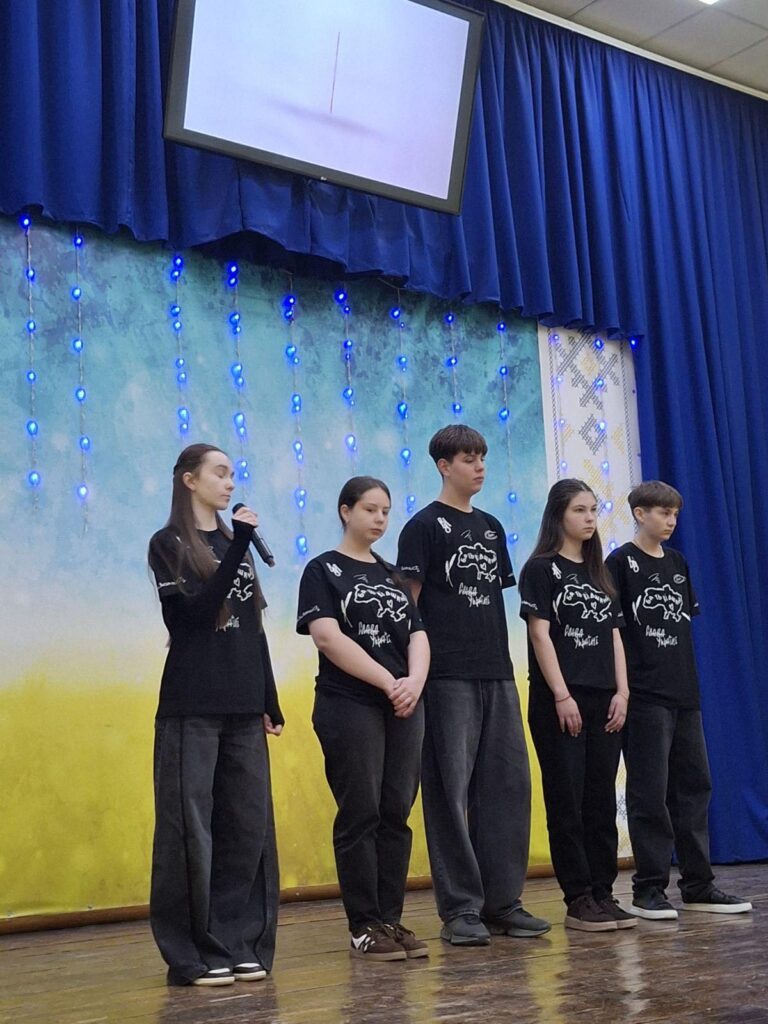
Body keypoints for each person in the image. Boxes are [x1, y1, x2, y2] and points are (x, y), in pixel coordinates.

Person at [397, 424, 550, 946]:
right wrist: (414, 674)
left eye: (482, 457)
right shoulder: (423, 526)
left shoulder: (490, 527)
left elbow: (490, 601)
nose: (479, 466)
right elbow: (408, 606)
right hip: (446, 675)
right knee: (450, 790)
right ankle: (461, 908)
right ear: (444, 466)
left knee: (507, 786)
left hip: (496, 672)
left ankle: (503, 902)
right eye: (468, 458)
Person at [147, 443, 284, 986]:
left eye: (232, 474)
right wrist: (240, 544)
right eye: (219, 473)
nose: (229, 483)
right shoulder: (169, 544)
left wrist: (268, 698)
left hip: (243, 704)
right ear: (189, 480)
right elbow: (195, 617)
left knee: (246, 827)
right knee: (190, 830)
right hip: (193, 705)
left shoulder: (234, 543)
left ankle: (236, 939)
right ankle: (191, 952)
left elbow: (252, 628)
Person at [297, 476, 431, 961]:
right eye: (370, 509)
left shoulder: (392, 573)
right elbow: (327, 637)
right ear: (345, 511)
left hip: (403, 704)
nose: (379, 519)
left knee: (396, 810)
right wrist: (388, 682)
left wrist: (414, 682)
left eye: (385, 511)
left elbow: (417, 634)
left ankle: (390, 918)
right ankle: (364, 924)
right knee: (361, 811)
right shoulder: (323, 569)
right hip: (349, 703)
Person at [606, 481, 752, 920]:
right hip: (645, 696)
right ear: (640, 514)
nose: (670, 521)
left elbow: (682, 623)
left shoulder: (677, 562)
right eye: (662, 513)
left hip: (684, 693)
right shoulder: (620, 563)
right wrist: (624, 689)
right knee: (650, 792)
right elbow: (615, 633)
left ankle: (698, 884)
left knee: (693, 788)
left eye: (674, 514)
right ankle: (648, 887)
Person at [519, 478, 634, 931]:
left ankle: (603, 892)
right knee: (567, 799)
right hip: (561, 699)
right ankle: (579, 898)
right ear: (559, 515)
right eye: (579, 510)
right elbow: (540, 634)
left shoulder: (599, 572)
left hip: (605, 698)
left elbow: (615, 636)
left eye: (593, 510)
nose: (589, 518)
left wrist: (622, 692)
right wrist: (561, 694)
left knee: (600, 800)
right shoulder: (541, 569)